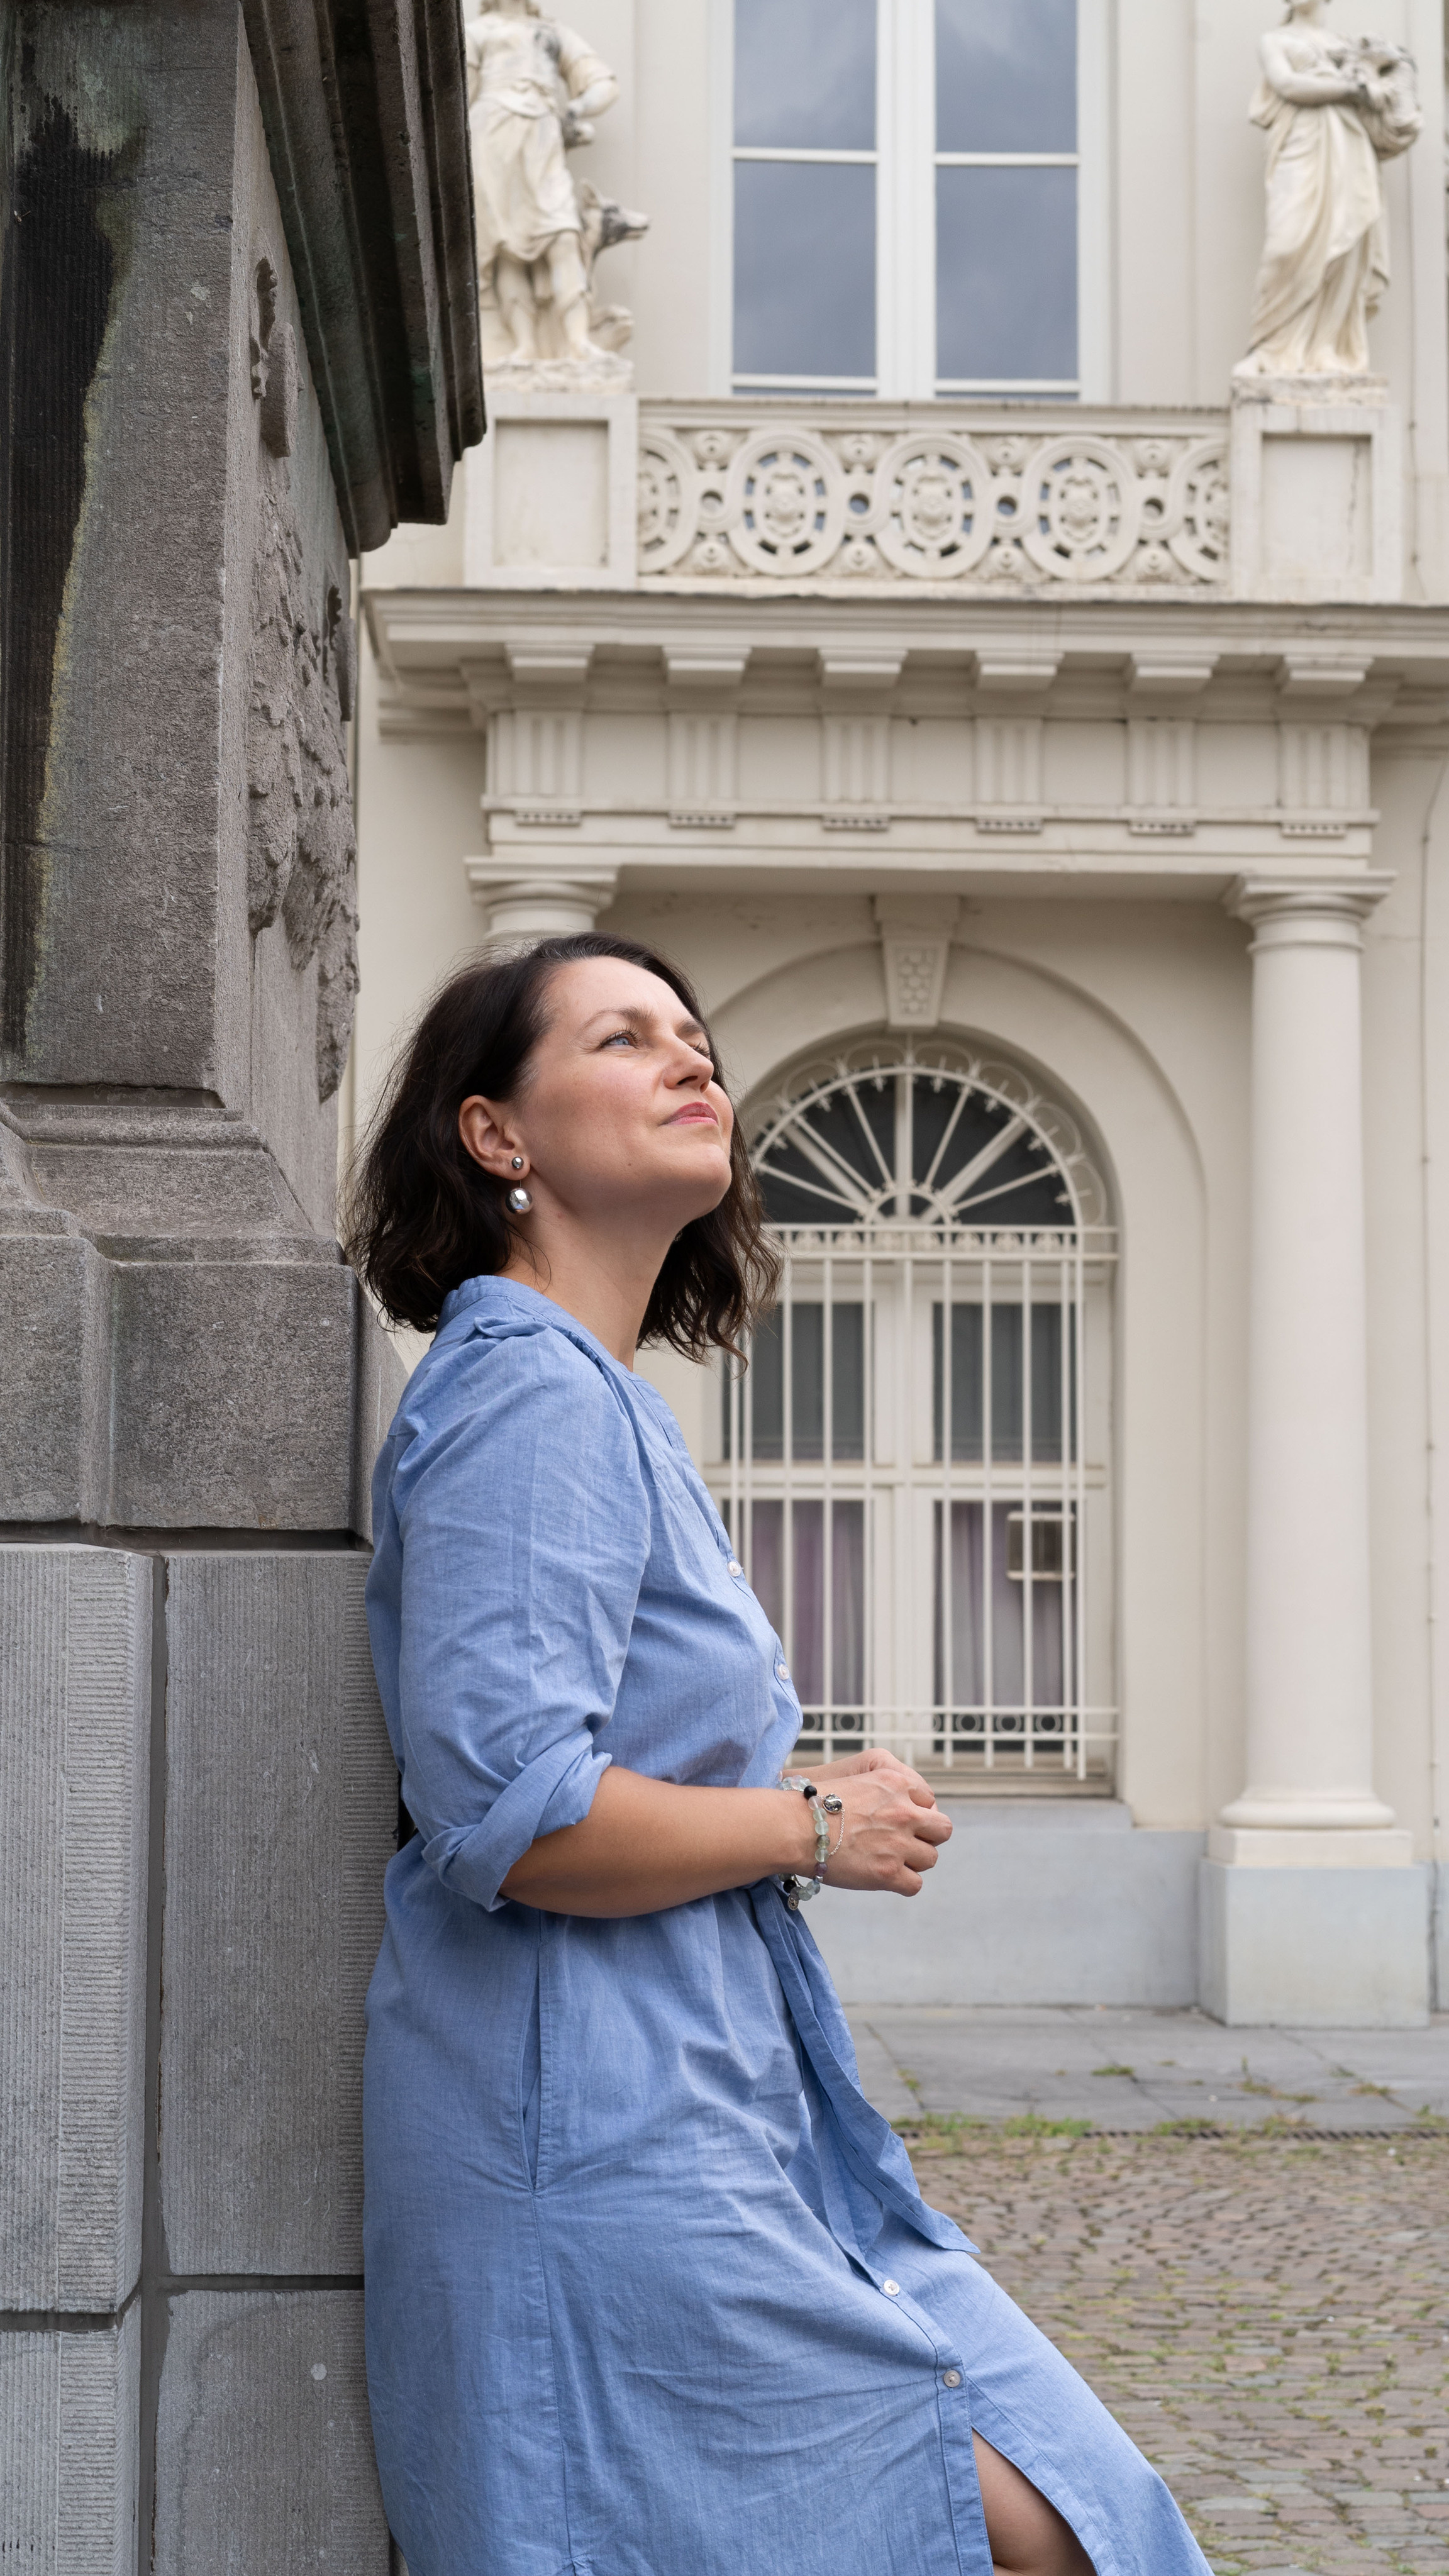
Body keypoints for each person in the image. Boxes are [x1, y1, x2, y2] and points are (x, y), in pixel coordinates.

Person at [347, 931, 1211, 2576]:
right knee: (1047, 2533)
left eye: (698, 1038)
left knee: (1071, 2521)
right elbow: (508, 1818)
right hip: (599, 2147)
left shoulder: (588, 1399)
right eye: (623, 1038)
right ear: (497, 1136)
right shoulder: (525, 1394)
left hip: (693, 2113)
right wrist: (804, 1820)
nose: (693, 1062)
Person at [1238, 0, 1419, 379]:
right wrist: (1353, 89)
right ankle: (1273, 349)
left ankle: (1328, 350)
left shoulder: (1350, 44)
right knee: (1287, 245)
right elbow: (1287, 84)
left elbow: (1390, 84)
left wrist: (1383, 79)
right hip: (1303, 143)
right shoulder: (1275, 39)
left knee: (1346, 244)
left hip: (1350, 147)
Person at [464, 0, 621, 367]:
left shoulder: (553, 34)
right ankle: (524, 347)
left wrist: (577, 109)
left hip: (542, 136)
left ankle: (578, 343)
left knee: (564, 236)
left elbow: (603, 83)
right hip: (491, 137)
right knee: (507, 251)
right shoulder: (478, 32)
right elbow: (461, 97)